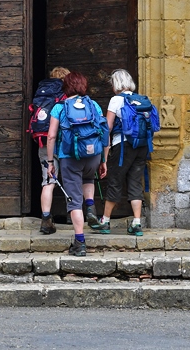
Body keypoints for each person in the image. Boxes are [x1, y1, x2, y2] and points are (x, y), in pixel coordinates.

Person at [45, 71, 108, 256]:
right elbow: (104, 134)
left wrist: (51, 162)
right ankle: (90, 206)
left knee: (73, 202)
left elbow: (51, 136)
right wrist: (103, 160)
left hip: (70, 157)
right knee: (88, 179)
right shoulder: (93, 105)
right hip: (93, 155)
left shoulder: (60, 107)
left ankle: (79, 243)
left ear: (66, 87)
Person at [89, 69, 151, 236]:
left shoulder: (116, 100)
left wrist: (104, 151)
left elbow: (107, 128)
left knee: (115, 180)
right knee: (135, 182)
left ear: (115, 83)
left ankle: (105, 221)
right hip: (142, 146)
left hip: (122, 146)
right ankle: (137, 223)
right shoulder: (141, 99)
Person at [28, 66, 70, 235]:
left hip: (44, 143)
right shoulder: (66, 94)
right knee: (71, 180)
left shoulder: (42, 93)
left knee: (48, 182)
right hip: (65, 143)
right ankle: (72, 216)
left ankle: (46, 219)